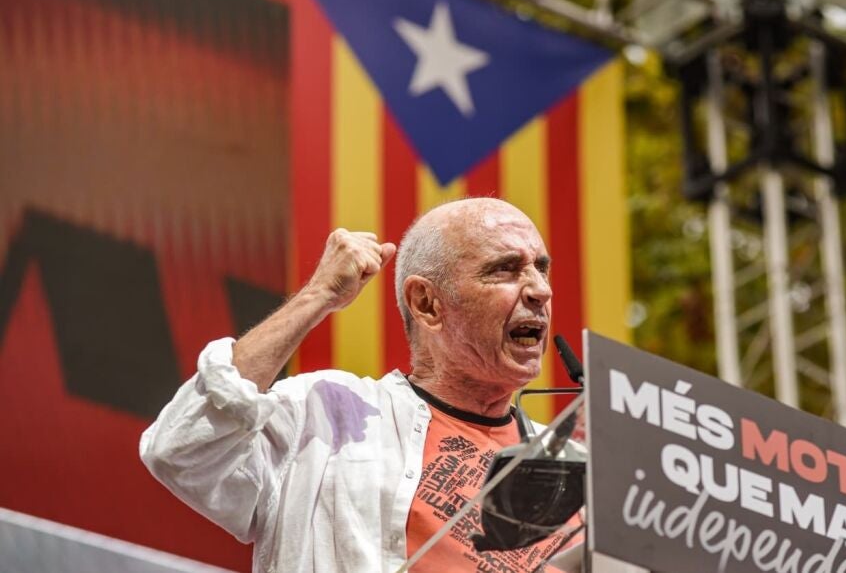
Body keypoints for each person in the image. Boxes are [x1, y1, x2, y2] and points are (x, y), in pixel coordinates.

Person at [140, 198, 574, 572]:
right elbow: (180, 449)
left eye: (542, 269)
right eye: (505, 270)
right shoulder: (324, 417)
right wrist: (317, 295)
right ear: (426, 303)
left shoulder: (574, 468)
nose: (540, 291)